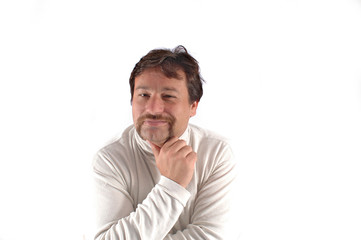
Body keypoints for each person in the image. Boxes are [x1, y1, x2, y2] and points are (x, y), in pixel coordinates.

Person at [93, 45, 237, 240]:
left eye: (168, 96)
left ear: (193, 106)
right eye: (144, 95)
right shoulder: (110, 159)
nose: (153, 108)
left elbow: (211, 236)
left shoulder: (217, 153)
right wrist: (172, 185)